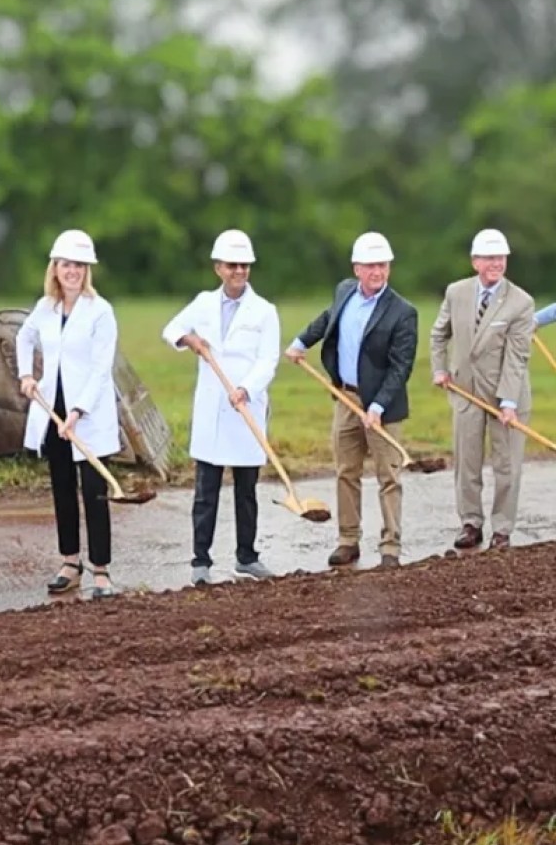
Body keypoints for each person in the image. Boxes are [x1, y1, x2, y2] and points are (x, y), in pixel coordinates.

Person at [285, 232, 417, 569]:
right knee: (346, 471)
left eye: (383, 265)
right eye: (371, 266)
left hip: (381, 407)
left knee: (389, 477)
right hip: (345, 397)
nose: (378, 272)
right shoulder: (345, 291)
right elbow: (328, 319)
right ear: (357, 268)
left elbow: (401, 368)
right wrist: (301, 341)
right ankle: (348, 540)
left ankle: (390, 547)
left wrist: (376, 407)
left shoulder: (403, 312)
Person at [162, 229, 280, 585]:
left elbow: (269, 358)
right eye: (232, 265)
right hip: (213, 409)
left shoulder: (264, 311)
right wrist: (190, 339)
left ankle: (246, 556)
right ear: (218, 268)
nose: (239, 271)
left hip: (246, 408)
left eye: (244, 265)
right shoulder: (202, 303)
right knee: (206, 491)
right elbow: (170, 329)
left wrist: (246, 388)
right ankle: (201, 559)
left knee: (246, 491)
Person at [16, 229, 119, 599]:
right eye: (65, 264)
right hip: (51, 411)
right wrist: (26, 374)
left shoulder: (101, 311)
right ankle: (70, 563)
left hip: (86, 414)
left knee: (94, 490)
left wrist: (77, 410)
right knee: (62, 488)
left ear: (86, 269)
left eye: (78, 265)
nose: (71, 271)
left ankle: (102, 571)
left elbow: (100, 367)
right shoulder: (45, 308)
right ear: (54, 268)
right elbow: (23, 338)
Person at [429, 228, 534, 550]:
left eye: (501, 258)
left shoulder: (521, 302)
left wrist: (507, 402)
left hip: (507, 396)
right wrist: (440, 368)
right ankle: (470, 523)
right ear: (475, 261)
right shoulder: (456, 292)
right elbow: (438, 334)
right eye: (489, 258)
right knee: (467, 463)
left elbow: (517, 358)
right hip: (465, 393)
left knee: (507, 466)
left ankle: (502, 530)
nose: (496, 264)